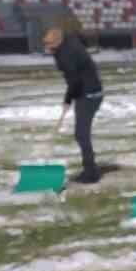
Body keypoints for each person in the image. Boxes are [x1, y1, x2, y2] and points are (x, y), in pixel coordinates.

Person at [42, 24, 104, 184]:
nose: (46, 47)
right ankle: (90, 169)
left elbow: (74, 81)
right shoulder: (68, 42)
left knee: (81, 134)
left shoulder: (66, 54)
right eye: (45, 43)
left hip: (89, 94)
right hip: (88, 90)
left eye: (49, 44)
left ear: (58, 41)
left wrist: (68, 99)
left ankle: (91, 173)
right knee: (81, 134)